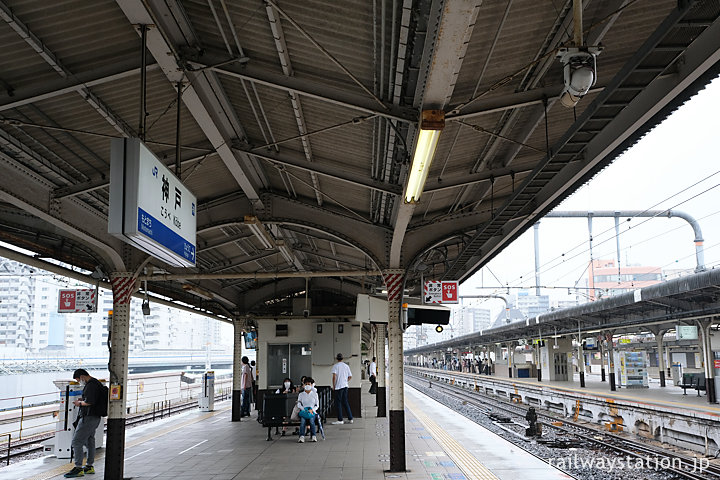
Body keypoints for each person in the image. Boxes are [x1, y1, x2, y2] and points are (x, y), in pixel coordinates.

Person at [64, 369, 106, 478]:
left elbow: (89, 402)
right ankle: (89, 466)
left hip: (88, 417)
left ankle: (78, 468)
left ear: (82, 376)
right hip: (95, 417)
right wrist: (83, 400)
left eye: (78, 380)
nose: (79, 382)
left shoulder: (91, 385)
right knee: (89, 440)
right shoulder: (96, 383)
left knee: (76, 441)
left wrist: (80, 403)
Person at [330, 353, 353, 425]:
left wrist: (334, 385)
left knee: (338, 403)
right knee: (345, 402)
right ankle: (350, 418)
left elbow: (334, 377)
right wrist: (345, 381)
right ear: (343, 358)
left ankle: (340, 419)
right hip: (345, 386)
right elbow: (350, 376)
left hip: (338, 387)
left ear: (337, 359)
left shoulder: (335, 366)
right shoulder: (346, 366)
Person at [296, 377, 319, 443]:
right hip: (303, 412)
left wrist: (312, 410)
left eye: (309, 384)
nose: (307, 386)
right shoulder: (301, 394)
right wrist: (304, 409)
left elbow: (317, 405)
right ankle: (301, 436)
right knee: (303, 421)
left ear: (312, 385)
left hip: (312, 412)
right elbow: (299, 403)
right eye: (306, 384)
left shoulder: (315, 394)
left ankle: (314, 436)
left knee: (312, 421)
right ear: (303, 385)